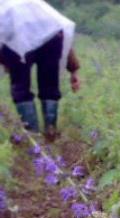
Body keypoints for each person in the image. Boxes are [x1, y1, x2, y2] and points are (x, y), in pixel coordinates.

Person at [0, 0, 80, 138]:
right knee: (49, 85)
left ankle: (33, 134)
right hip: (51, 40)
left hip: (19, 41)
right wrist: (73, 70)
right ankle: (50, 129)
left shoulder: (5, 8)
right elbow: (60, 31)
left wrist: (7, 63)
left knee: (21, 88)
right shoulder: (38, 5)